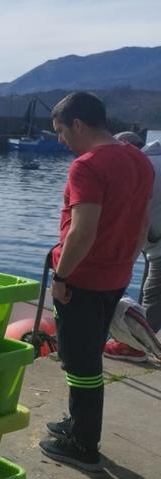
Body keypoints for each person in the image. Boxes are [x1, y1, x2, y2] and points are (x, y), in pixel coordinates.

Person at [40, 92, 153, 471]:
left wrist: (62, 276)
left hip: (82, 280)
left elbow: (82, 231)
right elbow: (141, 225)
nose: (60, 140)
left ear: (78, 124)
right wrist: (125, 263)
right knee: (85, 353)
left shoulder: (86, 166)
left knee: (81, 363)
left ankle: (84, 445)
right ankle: (77, 423)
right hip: (116, 275)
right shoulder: (139, 160)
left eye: (60, 130)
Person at [103, 131, 161, 362]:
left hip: (157, 248)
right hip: (153, 246)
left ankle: (138, 347)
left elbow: (134, 219)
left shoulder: (144, 169)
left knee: (152, 295)